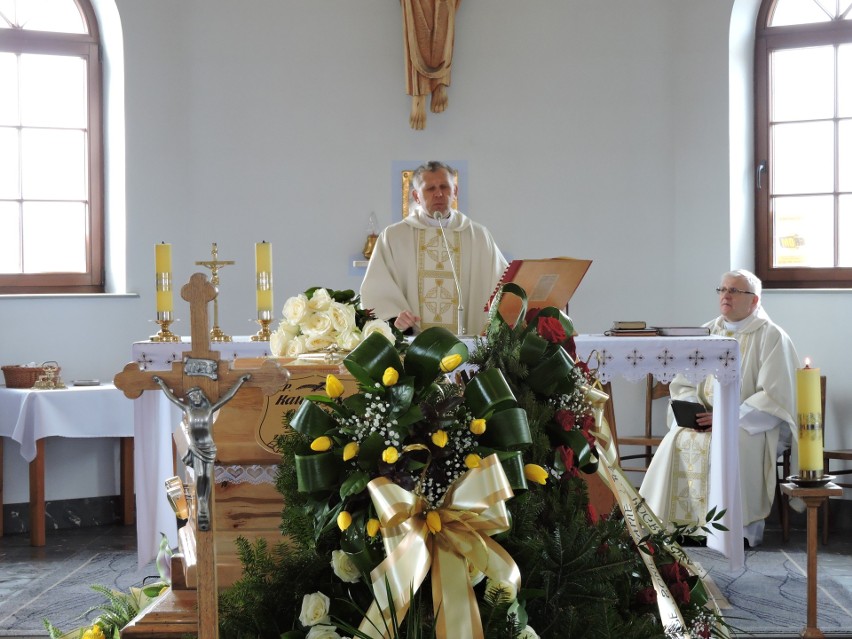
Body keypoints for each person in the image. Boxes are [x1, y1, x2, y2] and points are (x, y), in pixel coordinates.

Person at [640, 269, 799, 547]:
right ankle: (681, 526)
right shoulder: (706, 332)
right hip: (704, 418)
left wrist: (726, 418)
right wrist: (694, 413)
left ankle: (733, 531)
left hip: (748, 423)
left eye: (734, 291)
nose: (726, 295)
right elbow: (683, 383)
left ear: (754, 300)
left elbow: (774, 397)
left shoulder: (772, 337)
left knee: (730, 441)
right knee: (679, 438)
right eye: (723, 289)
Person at [360, 161, 507, 336]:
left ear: (455, 192)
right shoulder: (394, 237)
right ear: (416, 196)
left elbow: (502, 284)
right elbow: (377, 289)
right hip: (414, 344)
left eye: (445, 187)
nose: (438, 193)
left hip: (468, 345)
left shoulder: (478, 236)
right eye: (430, 189)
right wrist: (395, 318)